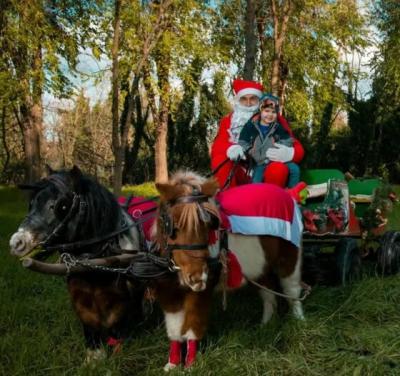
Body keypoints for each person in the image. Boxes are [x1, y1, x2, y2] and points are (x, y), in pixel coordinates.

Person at [211, 79, 305, 189]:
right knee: (219, 160)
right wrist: (231, 148)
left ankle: (276, 201)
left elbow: (297, 147)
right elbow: (217, 146)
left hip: (265, 167)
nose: (248, 103)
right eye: (243, 99)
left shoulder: (274, 119)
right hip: (239, 170)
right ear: (238, 101)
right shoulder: (229, 120)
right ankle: (228, 201)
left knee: (279, 168)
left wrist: (289, 153)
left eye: (253, 99)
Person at [238, 94, 300, 187]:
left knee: (295, 169)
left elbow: (289, 140)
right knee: (256, 181)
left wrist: (279, 148)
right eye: (267, 111)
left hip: (273, 160)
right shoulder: (250, 126)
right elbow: (242, 142)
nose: (270, 115)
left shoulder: (278, 127)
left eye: (273, 112)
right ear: (260, 111)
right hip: (259, 162)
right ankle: (256, 198)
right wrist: (250, 151)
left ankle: (292, 194)